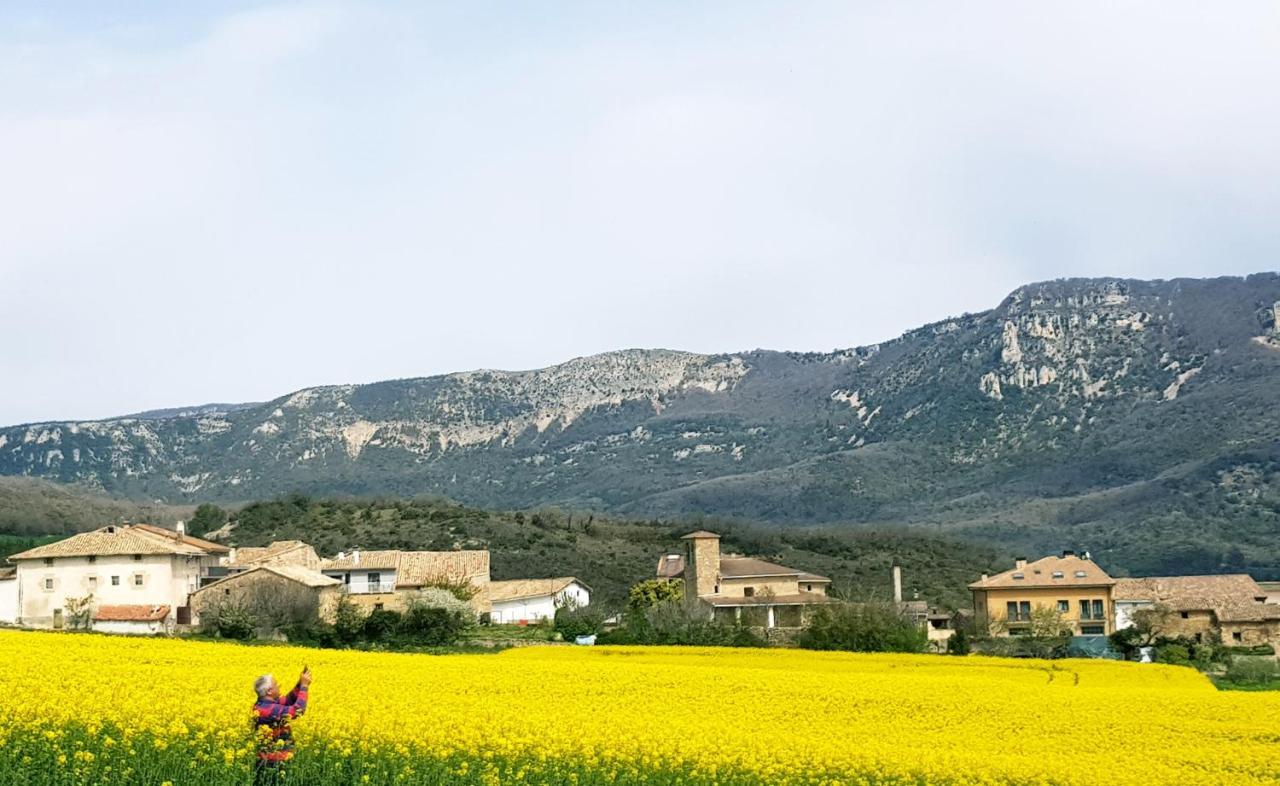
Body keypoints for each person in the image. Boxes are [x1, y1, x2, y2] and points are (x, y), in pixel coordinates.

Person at [251, 667, 311, 785]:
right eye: (276, 684)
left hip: (276, 760)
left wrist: (300, 683)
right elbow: (298, 710)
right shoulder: (266, 710)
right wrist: (304, 687)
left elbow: (289, 700)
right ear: (269, 691)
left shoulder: (265, 704)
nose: (279, 685)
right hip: (272, 762)